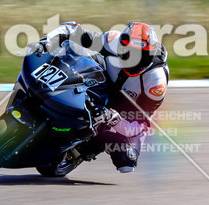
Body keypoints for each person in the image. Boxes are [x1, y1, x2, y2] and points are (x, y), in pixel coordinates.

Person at [29, 21, 168, 172]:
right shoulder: (111, 41)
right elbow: (71, 29)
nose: (133, 61)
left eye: (140, 56)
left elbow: (141, 125)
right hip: (99, 86)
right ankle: (48, 101)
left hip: (124, 112)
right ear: (121, 46)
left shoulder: (156, 81)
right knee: (77, 54)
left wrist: (113, 119)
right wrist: (45, 42)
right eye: (129, 53)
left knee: (127, 161)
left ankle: (89, 146)